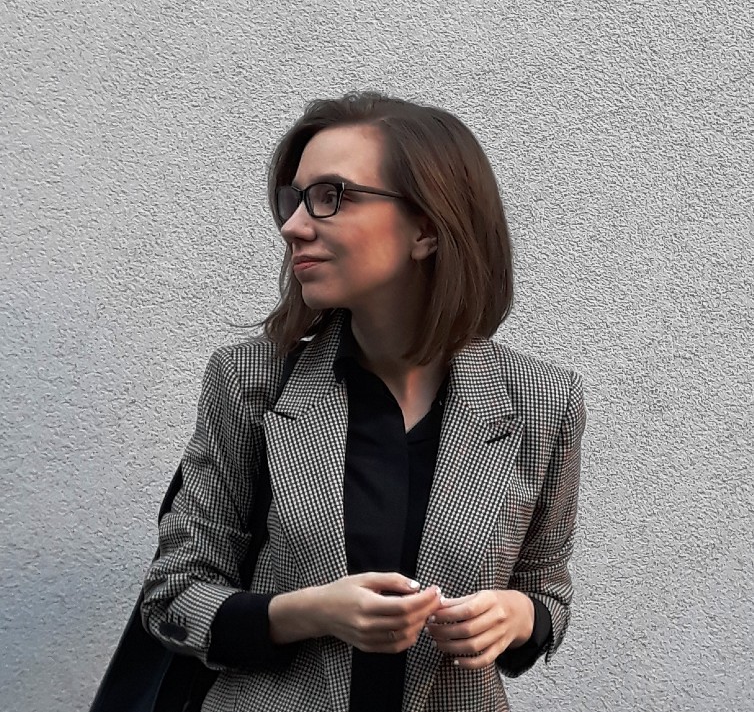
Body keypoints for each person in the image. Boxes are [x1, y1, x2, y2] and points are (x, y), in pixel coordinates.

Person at [140, 92, 586, 712]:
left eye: (332, 196)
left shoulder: (543, 401)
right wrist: (306, 612)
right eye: (294, 199)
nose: (293, 225)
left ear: (426, 228)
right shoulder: (251, 382)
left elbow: (546, 589)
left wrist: (516, 615)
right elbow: (172, 595)